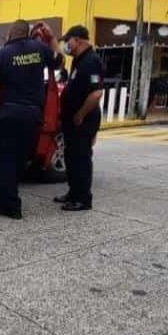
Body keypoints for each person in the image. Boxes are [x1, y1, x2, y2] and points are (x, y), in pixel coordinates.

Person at [0, 20, 63, 219]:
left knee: (4, 159)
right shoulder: (40, 49)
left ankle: (11, 205)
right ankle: (1, 198)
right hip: (32, 116)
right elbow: (60, 61)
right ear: (27, 34)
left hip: (8, 116)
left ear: (10, 34)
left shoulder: (1, 55)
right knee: (20, 160)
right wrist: (52, 38)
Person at [54, 25, 104, 212]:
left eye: (68, 40)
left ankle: (83, 199)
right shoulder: (79, 60)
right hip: (73, 119)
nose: (67, 44)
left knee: (81, 158)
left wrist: (80, 115)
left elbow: (96, 93)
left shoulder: (91, 61)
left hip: (83, 119)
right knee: (71, 157)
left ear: (79, 40)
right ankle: (73, 192)